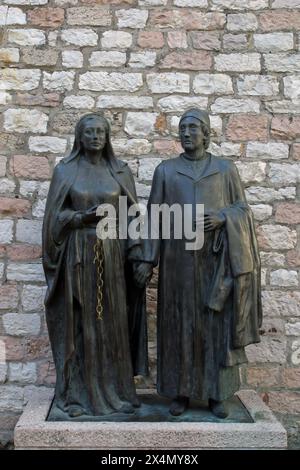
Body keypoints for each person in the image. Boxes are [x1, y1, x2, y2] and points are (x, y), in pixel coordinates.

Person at [135, 108, 262, 419]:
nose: (187, 133)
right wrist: (148, 260)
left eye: (194, 127)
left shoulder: (224, 169)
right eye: (183, 128)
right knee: (178, 325)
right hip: (177, 263)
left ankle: (217, 393)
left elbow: (242, 209)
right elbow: (154, 217)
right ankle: (180, 391)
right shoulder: (166, 171)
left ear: (207, 133)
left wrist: (222, 217)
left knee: (214, 327)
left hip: (215, 264)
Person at [42, 113, 148, 419]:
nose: (95, 136)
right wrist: (80, 218)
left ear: (107, 136)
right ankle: (76, 396)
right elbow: (53, 221)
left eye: (101, 131)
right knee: (80, 325)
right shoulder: (66, 171)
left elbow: (132, 218)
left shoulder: (119, 171)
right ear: (80, 137)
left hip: (113, 256)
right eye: (89, 132)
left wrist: (138, 255)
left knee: (112, 324)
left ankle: (116, 394)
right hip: (78, 257)